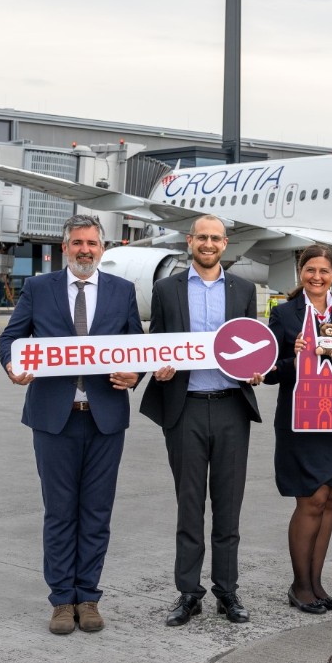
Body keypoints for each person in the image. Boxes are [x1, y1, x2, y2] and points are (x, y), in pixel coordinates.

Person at [0, 214, 143, 635]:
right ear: (65, 248)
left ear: (103, 248)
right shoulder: (39, 289)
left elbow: (137, 346)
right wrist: (12, 364)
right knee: (60, 511)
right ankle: (62, 600)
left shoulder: (122, 291)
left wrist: (137, 374)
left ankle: (88, 597)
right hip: (53, 418)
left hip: (105, 418)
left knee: (96, 512)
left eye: (92, 244)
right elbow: (11, 337)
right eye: (77, 243)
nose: (85, 250)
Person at [141, 215, 267, 627]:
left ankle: (227, 591)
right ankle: (188, 593)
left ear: (225, 244)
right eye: (202, 237)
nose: (208, 244)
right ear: (189, 241)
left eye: (215, 238)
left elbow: (252, 345)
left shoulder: (245, 290)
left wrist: (256, 369)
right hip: (185, 407)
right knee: (190, 506)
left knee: (229, 506)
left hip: (232, 406)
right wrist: (159, 366)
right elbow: (158, 342)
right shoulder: (166, 289)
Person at [264, 244, 332, 614]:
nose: (317, 277)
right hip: (303, 418)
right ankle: (299, 585)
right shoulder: (283, 314)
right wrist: (293, 357)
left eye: (323, 271)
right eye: (310, 270)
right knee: (310, 498)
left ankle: (316, 582)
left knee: (330, 499)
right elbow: (269, 371)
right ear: (301, 272)